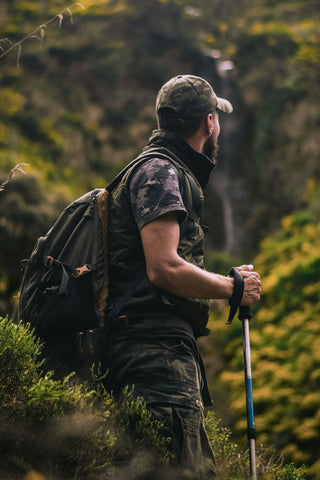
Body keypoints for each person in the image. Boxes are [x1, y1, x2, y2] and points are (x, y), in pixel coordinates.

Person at [104, 75, 261, 479]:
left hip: (152, 355)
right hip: (155, 360)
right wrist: (233, 288)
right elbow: (164, 268)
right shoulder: (161, 173)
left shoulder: (158, 169)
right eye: (217, 119)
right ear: (210, 122)